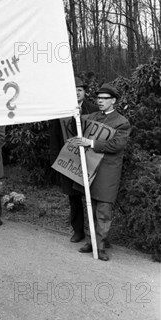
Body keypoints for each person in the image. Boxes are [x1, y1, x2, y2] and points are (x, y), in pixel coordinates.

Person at [69, 83, 131, 261]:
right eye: (99, 98)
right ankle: (91, 241)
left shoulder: (122, 122)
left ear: (113, 101)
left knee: (103, 209)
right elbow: (77, 122)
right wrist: (75, 113)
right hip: (91, 168)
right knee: (91, 205)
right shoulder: (94, 116)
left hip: (108, 172)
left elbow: (117, 145)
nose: (100, 101)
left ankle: (101, 246)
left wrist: (91, 143)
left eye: (104, 99)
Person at [49, 76, 98, 243]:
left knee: (93, 197)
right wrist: (56, 161)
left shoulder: (93, 110)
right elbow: (54, 139)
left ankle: (95, 234)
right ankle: (78, 231)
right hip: (69, 160)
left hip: (90, 159)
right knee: (74, 197)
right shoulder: (61, 112)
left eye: (79, 90)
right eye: (73, 90)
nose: (76, 93)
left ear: (85, 92)